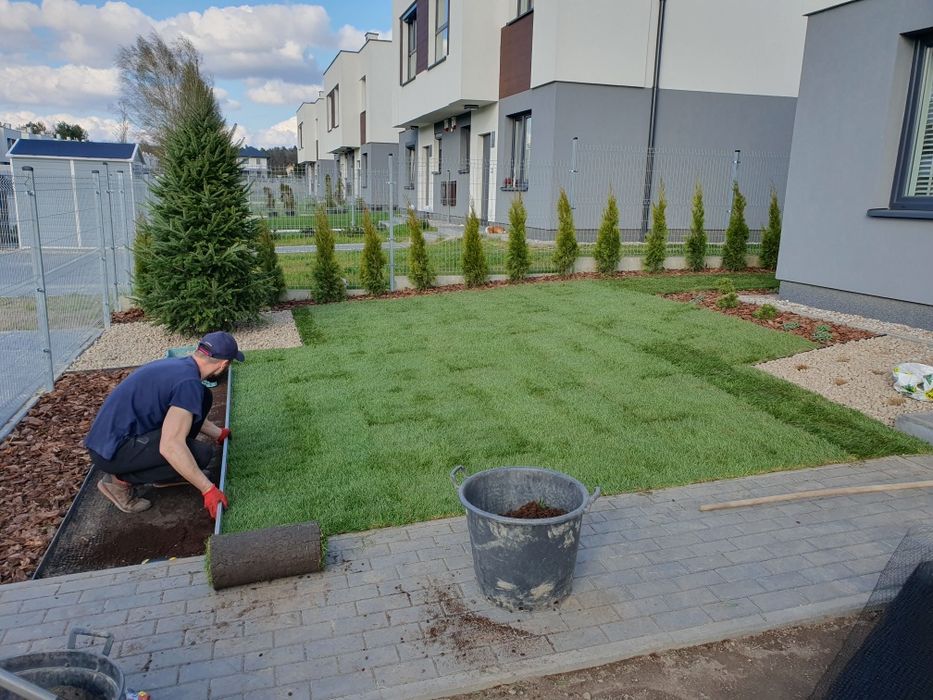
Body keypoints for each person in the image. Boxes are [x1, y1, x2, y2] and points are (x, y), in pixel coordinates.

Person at [84, 331, 242, 518]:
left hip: (111, 438)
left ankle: (165, 473)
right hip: (112, 451)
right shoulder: (188, 383)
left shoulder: (181, 367)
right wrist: (208, 490)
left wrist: (218, 433)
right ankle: (119, 481)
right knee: (199, 454)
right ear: (223, 364)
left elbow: (183, 414)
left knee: (203, 397)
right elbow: (170, 445)